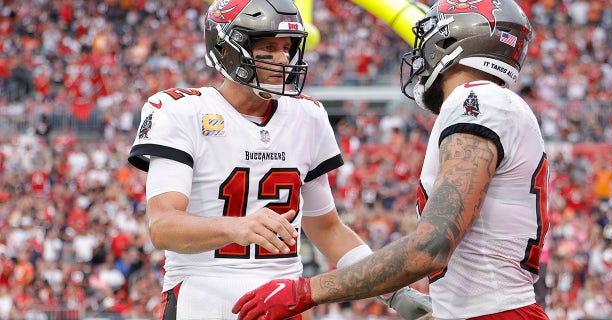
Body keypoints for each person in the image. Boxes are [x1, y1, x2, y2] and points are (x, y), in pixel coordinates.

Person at [232, 0, 551, 319]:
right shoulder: (493, 103)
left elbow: (431, 246)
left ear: (449, 42)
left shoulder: (477, 100)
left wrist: (306, 291)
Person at [127, 0, 430, 319]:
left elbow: (328, 229)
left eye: (287, 47)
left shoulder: (307, 115)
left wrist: (390, 289)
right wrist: (235, 228)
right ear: (228, 49)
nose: (283, 58)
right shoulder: (181, 111)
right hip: (201, 297)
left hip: (281, 299)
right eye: (268, 48)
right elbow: (163, 226)